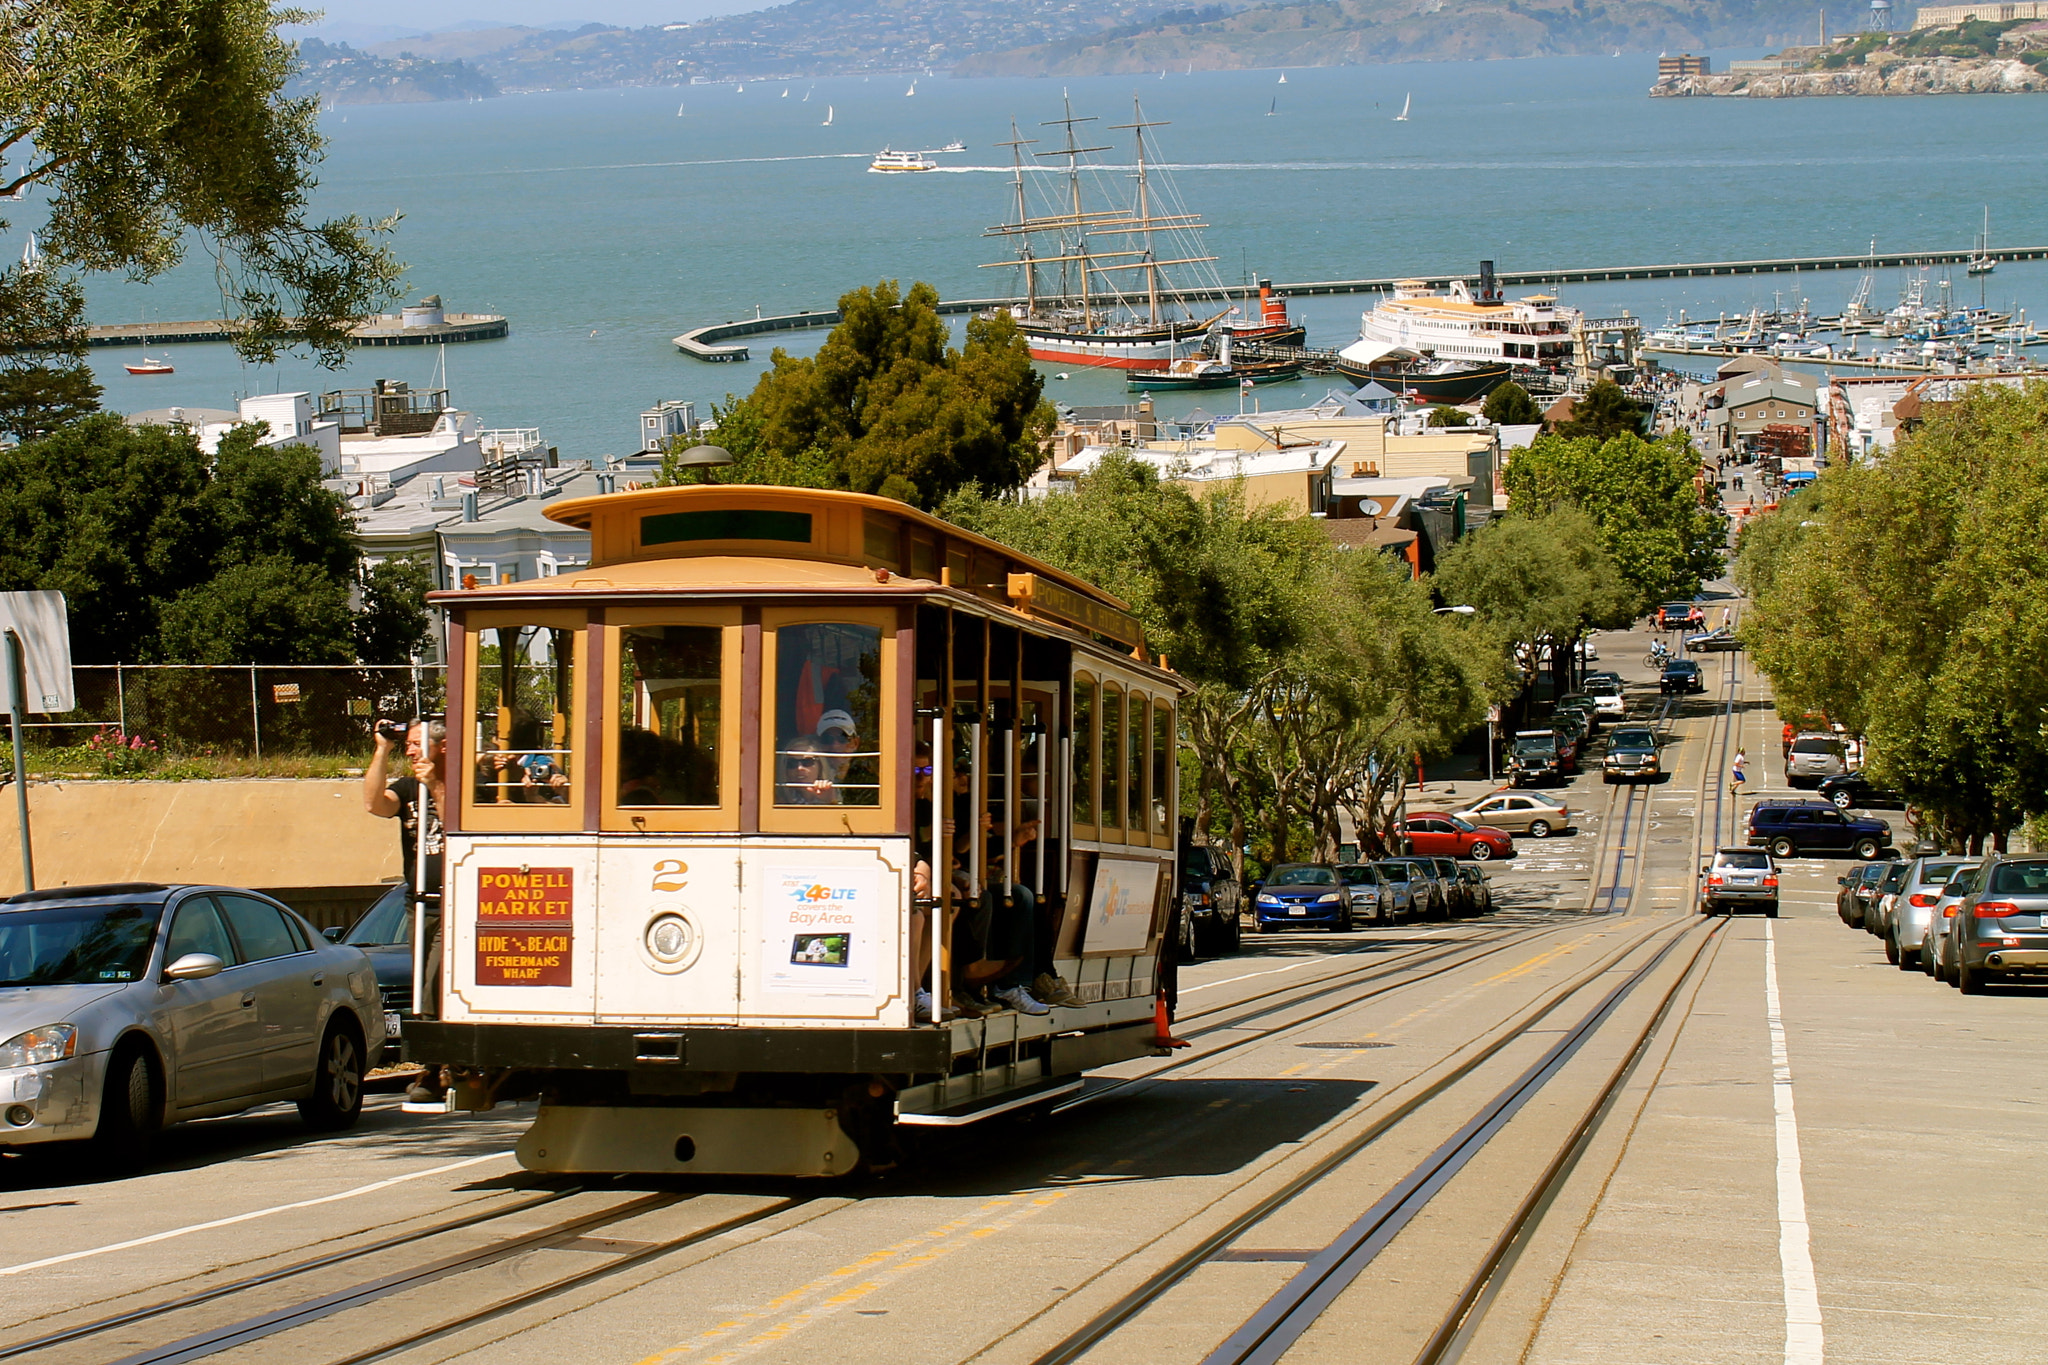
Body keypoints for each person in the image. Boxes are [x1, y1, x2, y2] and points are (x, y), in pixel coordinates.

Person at [365, 717, 447, 1107]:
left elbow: (462, 828)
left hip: (454, 901)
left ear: (441, 747)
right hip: (419, 902)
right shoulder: (407, 788)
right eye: (408, 744)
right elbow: (374, 804)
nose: (411, 750)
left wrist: (436, 786)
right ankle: (438, 1062)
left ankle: (434, 1066)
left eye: (417, 743)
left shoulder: (461, 784)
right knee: (423, 985)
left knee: (433, 982)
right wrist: (382, 748)